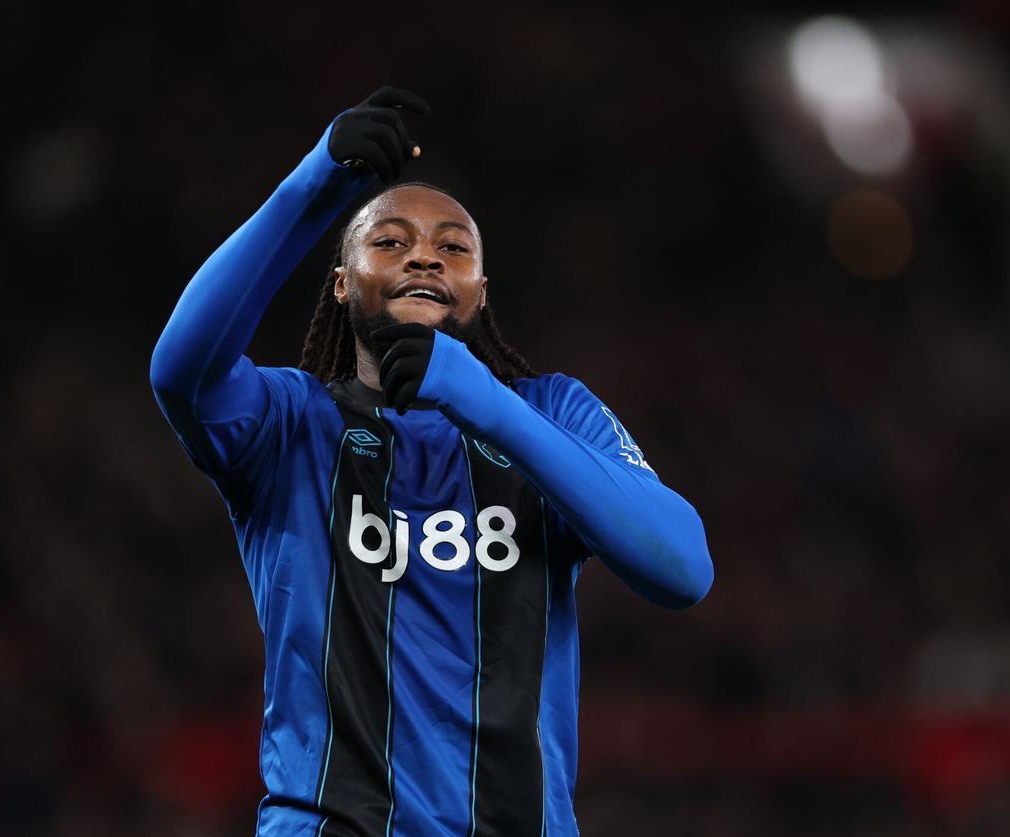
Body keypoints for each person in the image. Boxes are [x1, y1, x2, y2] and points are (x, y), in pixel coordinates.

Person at [149, 86, 714, 837]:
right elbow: (180, 372)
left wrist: (480, 399)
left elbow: (683, 568)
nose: (423, 253)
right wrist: (314, 185)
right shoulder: (289, 423)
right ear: (342, 281)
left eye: (454, 246)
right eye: (388, 240)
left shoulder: (550, 413)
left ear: (481, 291)